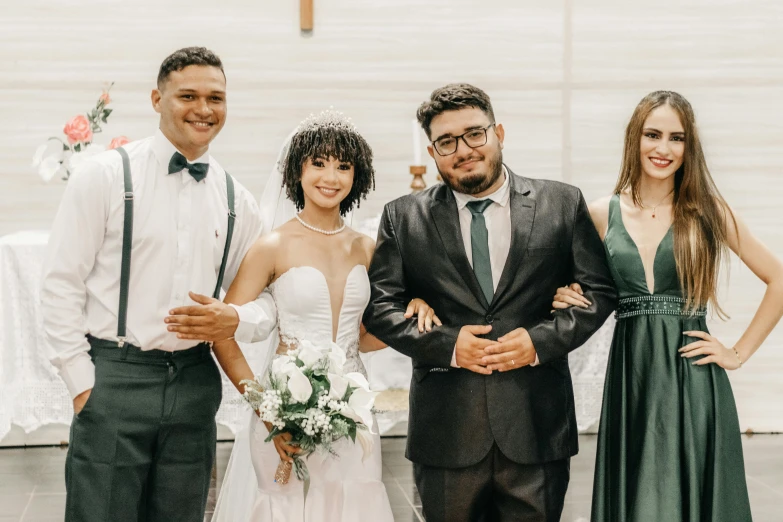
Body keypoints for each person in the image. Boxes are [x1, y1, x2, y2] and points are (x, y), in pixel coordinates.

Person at [41, 47, 277, 521]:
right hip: (115, 378)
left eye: (216, 97)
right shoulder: (105, 177)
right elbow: (60, 282)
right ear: (157, 98)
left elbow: (267, 296)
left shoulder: (237, 200)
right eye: (187, 95)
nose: (204, 109)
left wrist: (237, 317)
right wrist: (83, 383)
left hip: (194, 384)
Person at [362, 83, 617, 522]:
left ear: (498, 132)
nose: (462, 149)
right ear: (433, 151)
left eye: (474, 134)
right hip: (447, 428)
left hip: (536, 425)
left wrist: (538, 342)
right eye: (446, 141)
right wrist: (448, 344)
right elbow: (380, 307)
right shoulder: (402, 217)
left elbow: (599, 292)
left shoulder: (561, 202)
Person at [553, 90, 783, 521]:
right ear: (634, 139)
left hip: (692, 375)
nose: (663, 148)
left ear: (688, 146)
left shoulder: (709, 211)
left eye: (676, 138)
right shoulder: (601, 213)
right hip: (633, 375)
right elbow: (569, 287)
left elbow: (779, 279)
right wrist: (564, 295)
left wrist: (737, 353)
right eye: (652, 134)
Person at [204, 109, 437, 521]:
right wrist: (266, 409)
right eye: (319, 163)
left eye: (343, 166)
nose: (331, 177)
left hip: (355, 412)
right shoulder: (271, 247)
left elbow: (367, 335)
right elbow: (223, 332)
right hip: (284, 414)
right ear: (298, 170)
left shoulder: (368, 249)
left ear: (357, 176)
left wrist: (412, 310)